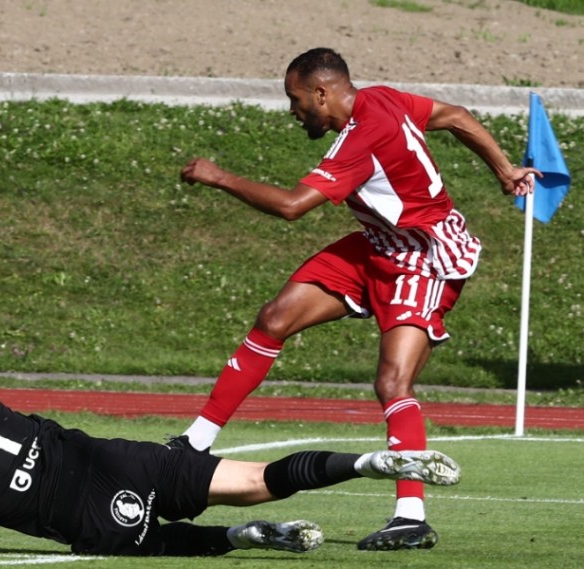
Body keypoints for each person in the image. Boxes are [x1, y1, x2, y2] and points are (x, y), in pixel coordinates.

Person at [172, 46, 540, 551]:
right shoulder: (382, 98)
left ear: (322, 93)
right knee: (276, 317)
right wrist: (504, 169)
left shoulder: (360, 140)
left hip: (423, 256)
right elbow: (456, 116)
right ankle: (193, 443)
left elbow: (292, 207)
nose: (293, 109)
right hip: (376, 246)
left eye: (296, 98)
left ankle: (411, 517)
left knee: (392, 382)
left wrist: (219, 177)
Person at [0, 356, 460, 557]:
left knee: (166, 542)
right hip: (119, 460)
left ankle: (242, 538)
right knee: (259, 476)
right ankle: (368, 464)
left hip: (92, 515)